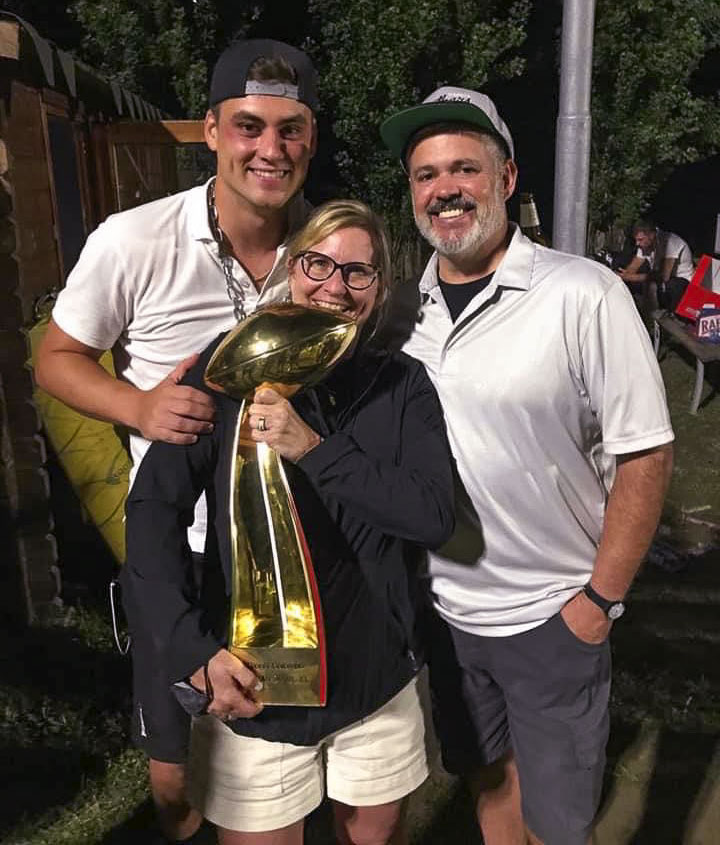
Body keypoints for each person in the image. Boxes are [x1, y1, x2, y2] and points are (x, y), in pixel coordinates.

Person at [35, 38, 320, 844]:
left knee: (278, 755)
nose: (271, 148)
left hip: (291, 548)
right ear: (211, 130)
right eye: (250, 126)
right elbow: (56, 359)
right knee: (174, 778)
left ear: (311, 139)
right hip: (181, 552)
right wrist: (137, 407)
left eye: (291, 129)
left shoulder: (325, 252)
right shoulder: (135, 240)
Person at [380, 87, 675, 845]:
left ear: (505, 179)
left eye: (464, 168)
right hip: (447, 616)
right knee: (489, 785)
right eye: (424, 174)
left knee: (557, 824)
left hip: (552, 614)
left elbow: (645, 451)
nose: (444, 188)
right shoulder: (403, 313)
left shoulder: (581, 293)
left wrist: (596, 603)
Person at [119, 199, 455, 845]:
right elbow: (153, 509)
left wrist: (316, 450)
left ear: (380, 287)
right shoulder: (226, 369)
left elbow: (431, 515)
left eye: (358, 272)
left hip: (375, 683)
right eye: (318, 262)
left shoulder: (399, 383)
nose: (334, 285)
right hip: (252, 689)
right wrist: (190, 648)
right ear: (290, 266)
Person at [618, 219, 694, 312]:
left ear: (651, 235)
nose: (637, 243)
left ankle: (673, 315)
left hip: (681, 281)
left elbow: (664, 275)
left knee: (671, 285)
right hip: (664, 280)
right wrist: (622, 275)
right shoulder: (646, 244)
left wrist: (631, 277)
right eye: (636, 240)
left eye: (640, 239)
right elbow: (635, 264)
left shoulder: (670, 242)